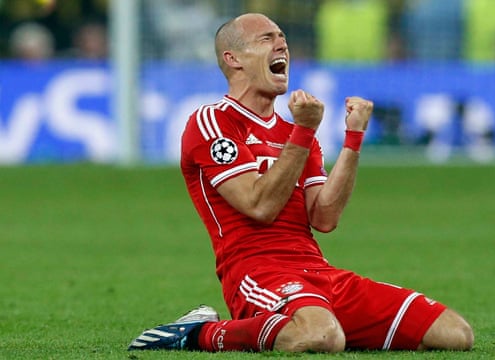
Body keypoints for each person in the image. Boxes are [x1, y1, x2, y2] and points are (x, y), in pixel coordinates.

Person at [128, 13, 473, 353]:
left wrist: (353, 139)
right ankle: (201, 333)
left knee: (456, 334)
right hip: (257, 273)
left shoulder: (292, 133)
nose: (282, 44)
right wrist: (304, 131)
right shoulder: (213, 122)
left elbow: (324, 218)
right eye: (267, 39)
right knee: (322, 338)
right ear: (233, 59)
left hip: (319, 273)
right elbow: (258, 206)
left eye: (283, 38)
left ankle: (311, 323)